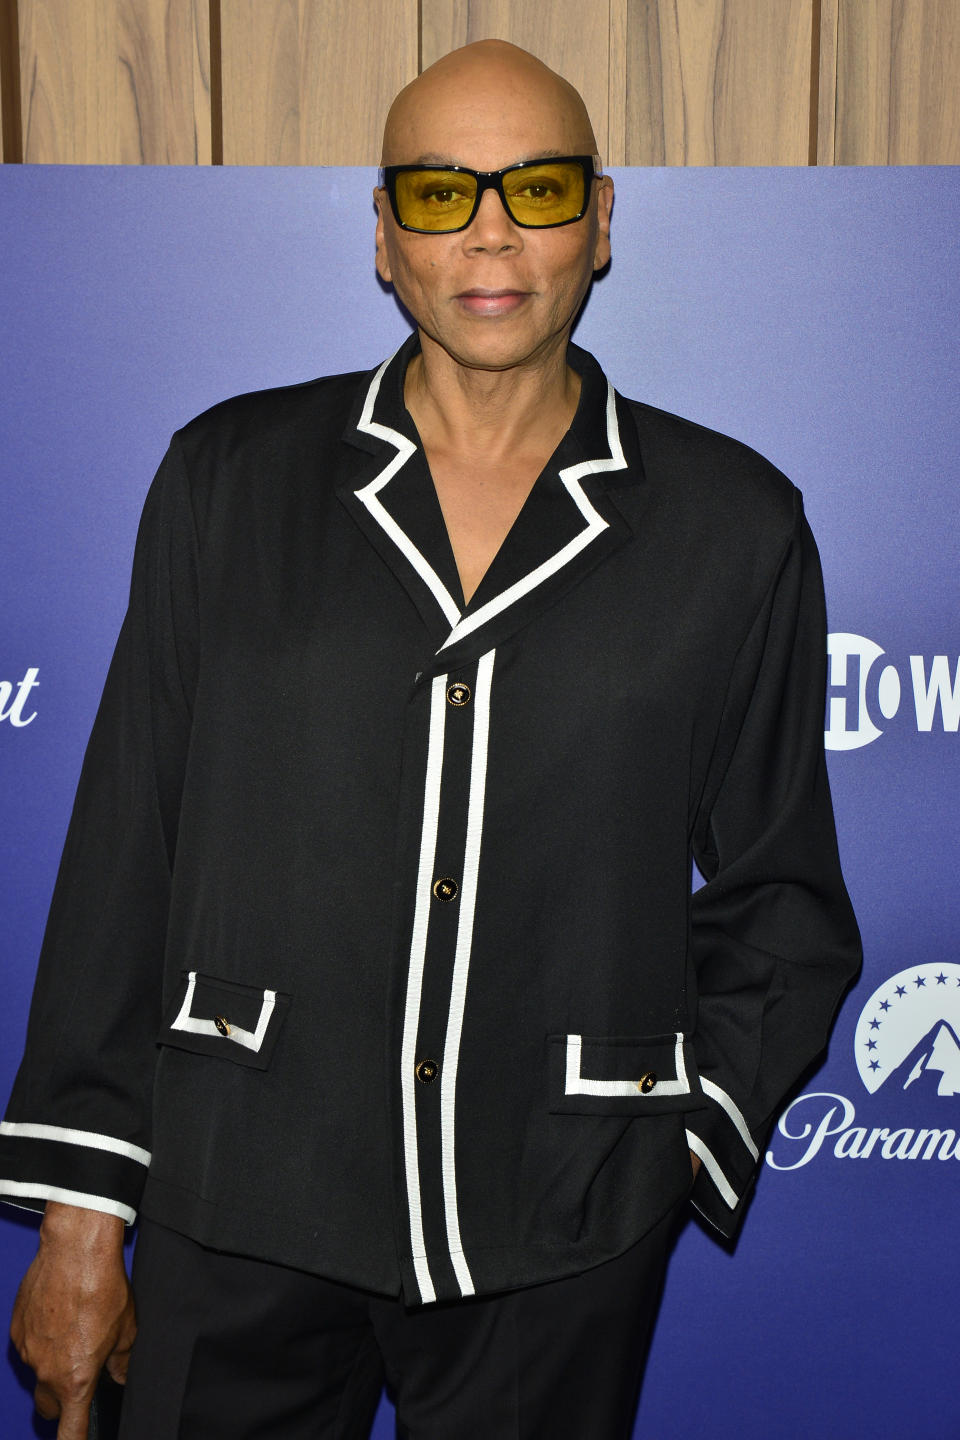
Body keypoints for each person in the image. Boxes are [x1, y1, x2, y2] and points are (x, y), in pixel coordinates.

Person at [3, 38, 861, 1440]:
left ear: (599, 223)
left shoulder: (732, 524)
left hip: (559, 1232)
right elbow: (125, 858)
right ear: (385, 237)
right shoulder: (231, 481)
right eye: (441, 194)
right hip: (240, 1200)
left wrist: (665, 1151)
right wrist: (84, 1217)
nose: (492, 235)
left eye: (536, 187)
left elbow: (786, 902)